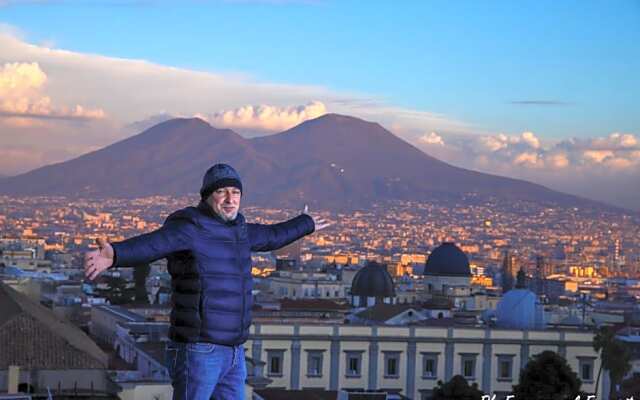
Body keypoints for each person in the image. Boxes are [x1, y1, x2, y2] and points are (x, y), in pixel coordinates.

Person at [84, 163, 330, 400]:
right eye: (221, 192)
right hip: (198, 349)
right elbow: (153, 244)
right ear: (207, 197)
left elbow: (273, 235)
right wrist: (115, 254)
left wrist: (305, 224)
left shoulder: (241, 231)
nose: (229, 199)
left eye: (235, 192)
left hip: (234, 351)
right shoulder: (190, 228)